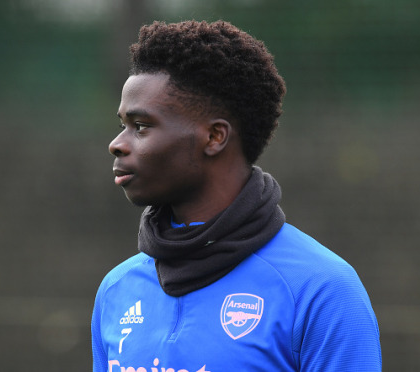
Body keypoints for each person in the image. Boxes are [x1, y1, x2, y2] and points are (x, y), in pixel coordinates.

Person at [92, 20, 381, 372]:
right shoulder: (116, 290)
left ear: (214, 137)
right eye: (123, 124)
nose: (117, 144)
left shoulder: (322, 290)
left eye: (141, 126)